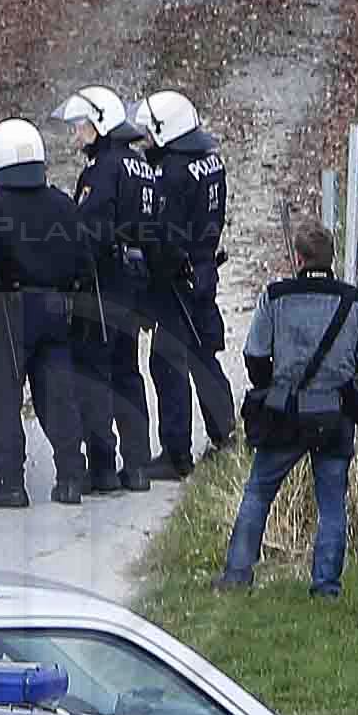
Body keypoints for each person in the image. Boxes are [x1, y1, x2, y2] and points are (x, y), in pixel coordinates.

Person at [218, 227, 358, 595]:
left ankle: (237, 574)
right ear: (331, 259)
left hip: (285, 414)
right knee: (332, 504)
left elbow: (255, 358)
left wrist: (278, 380)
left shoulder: (275, 297)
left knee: (258, 492)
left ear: (299, 259)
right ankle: (326, 586)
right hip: (335, 415)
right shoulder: (355, 300)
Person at [0, 117, 99, 503]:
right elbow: (84, 261)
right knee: (58, 393)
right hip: (57, 308)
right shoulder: (63, 204)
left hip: (10, 309)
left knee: (4, 395)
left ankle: (10, 482)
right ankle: (71, 476)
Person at [136, 90, 237, 476]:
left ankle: (179, 452)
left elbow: (165, 233)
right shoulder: (210, 162)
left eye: (149, 132)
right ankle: (225, 434)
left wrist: (150, 267)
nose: (145, 140)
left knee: (169, 363)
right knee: (203, 354)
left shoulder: (172, 173)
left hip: (177, 278)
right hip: (203, 268)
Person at [61, 88, 154, 492]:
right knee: (127, 371)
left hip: (103, 285)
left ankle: (102, 466)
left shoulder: (103, 169)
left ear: (99, 123)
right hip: (134, 283)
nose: (75, 136)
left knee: (95, 374)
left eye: (79, 126)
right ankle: (136, 463)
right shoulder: (140, 163)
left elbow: (89, 232)